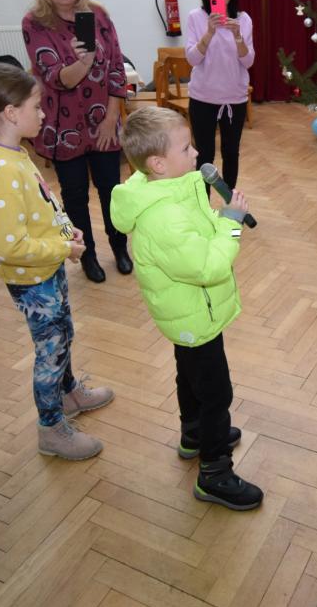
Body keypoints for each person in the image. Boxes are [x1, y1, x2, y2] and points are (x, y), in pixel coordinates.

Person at [110, 106, 261, 511]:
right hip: (195, 312)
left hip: (187, 315)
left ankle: (194, 433)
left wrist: (217, 217)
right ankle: (214, 473)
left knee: (190, 374)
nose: (197, 153)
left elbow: (196, 231)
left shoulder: (170, 185)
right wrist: (231, 223)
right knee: (216, 392)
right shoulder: (163, 216)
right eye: (186, 148)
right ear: (158, 163)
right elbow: (207, 267)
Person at [0, 63, 113, 461]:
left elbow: (45, 204)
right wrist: (63, 249)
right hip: (32, 278)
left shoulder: (16, 153)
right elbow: (10, 246)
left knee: (62, 335)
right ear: (11, 113)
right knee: (50, 350)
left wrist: (67, 231)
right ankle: (51, 429)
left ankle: (68, 393)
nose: (43, 113)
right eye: (36, 106)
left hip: (45, 267)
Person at [21, 0, 131, 284]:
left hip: (104, 122)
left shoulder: (98, 15)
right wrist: (84, 61)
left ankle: (120, 247)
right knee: (74, 196)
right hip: (63, 127)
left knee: (112, 190)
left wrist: (112, 117)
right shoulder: (35, 23)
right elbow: (57, 78)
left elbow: (116, 67)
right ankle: (88, 256)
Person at [184, 0, 254, 192]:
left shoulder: (243, 20)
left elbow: (248, 61)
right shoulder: (196, 17)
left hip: (234, 98)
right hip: (203, 98)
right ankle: (203, 206)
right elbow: (192, 59)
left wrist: (238, 36)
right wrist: (209, 33)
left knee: (231, 153)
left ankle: (229, 204)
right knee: (204, 155)